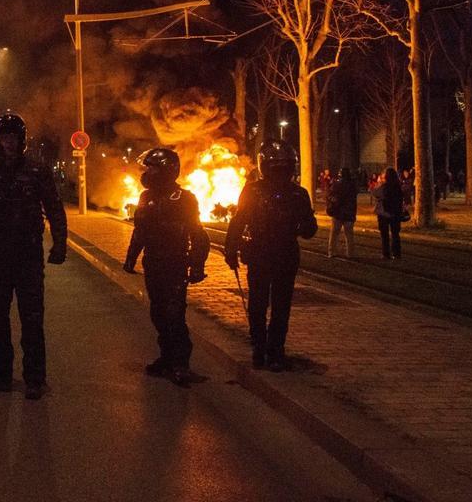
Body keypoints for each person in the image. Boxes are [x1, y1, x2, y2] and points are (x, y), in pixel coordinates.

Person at [0, 111, 68, 400]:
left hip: (28, 256)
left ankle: (35, 377)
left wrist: (60, 245)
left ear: (22, 140)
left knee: (32, 318)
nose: (9, 143)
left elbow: (55, 209)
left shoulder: (37, 171)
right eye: (4, 137)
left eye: (14, 137)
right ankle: (1, 374)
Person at [225, 139, 317, 372]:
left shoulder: (253, 190)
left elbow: (238, 221)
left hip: (261, 254)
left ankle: (259, 348)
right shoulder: (298, 193)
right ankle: (274, 352)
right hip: (282, 255)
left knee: (258, 303)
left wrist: (231, 250)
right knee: (280, 305)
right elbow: (309, 230)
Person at [121, 147, 209, 387]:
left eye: (153, 167)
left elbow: (198, 234)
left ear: (168, 170)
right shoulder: (145, 197)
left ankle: (181, 363)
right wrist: (131, 258)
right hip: (153, 262)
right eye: (147, 167)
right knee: (158, 313)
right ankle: (166, 357)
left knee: (174, 314)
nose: (148, 172)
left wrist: (197, 264)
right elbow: (139, 231)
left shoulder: (184, 198)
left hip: (175, 263)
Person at [371, 167, 405, 260]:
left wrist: (378, 183)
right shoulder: (398, 186)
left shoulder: (383, 186)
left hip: (384, 213)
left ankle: (386, 254)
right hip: (395, 213)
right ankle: (397, 253)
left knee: (384, 234)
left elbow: (374, 192)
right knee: (395, 234)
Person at [326, 167, 358, 259]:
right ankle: (350, 254)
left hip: (338, 213)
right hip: (349, 213)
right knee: (349, 236)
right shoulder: (353, 186)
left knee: (334, 234)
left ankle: (331, 252)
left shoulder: (336, 184)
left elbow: (330, 195)